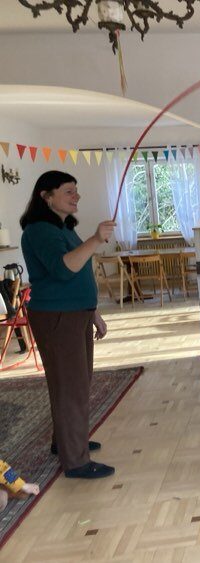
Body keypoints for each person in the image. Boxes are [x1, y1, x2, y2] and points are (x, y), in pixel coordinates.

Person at [20, 171, 116, 479]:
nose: (76, 196)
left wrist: (93, 313)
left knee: (74, 383)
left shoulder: (62, 228)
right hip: (57, 316)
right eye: (69, 191)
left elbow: (79, 271)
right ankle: (75, 461)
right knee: (70, 387)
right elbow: (64, 269)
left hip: (75, 314)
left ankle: (64, 442)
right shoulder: (39, 230)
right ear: (46, 197)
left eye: (77, 191)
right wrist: (95, 239)